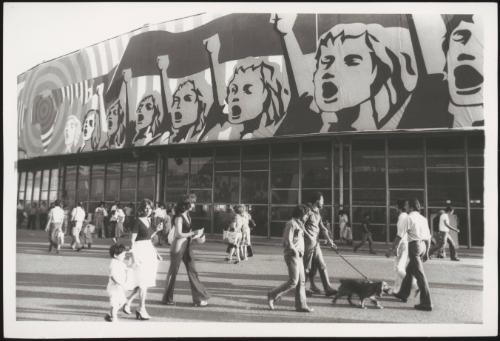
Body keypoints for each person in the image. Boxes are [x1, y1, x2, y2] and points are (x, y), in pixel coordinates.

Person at [162, 194, 210, 307]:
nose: (194, 205)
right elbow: (178, 234)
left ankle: (198, 299)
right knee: (173, 272)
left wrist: (198, 236)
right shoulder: (178, 217)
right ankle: (167, 298)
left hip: (187, 246)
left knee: (193, 271)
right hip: (178, 247)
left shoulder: (188, 215)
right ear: (187, 204)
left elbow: (187, 233)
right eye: (192, 203)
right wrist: (194, 233)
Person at [267, 204, 314, 313]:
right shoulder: (291, 224)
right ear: (301, 214)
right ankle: (272, 295)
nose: (307, 217)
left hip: (299, 256)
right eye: (306, 215)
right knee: (293, 281)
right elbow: (287, 241)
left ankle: (301, 305)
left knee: (301, 281)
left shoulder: (300, 224)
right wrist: (295, 251)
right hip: (292, 255)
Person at [122, 199, 163, 320]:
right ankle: (141, 309)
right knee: (143, 282)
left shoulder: (149, 220)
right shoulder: (137, 221)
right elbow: (132, 240)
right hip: (139, 252)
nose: (147, 209)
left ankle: (127, 303)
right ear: (141, 208)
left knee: (143, 282)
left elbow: (148, 238)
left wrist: (157, 232)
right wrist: (134, 256)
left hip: (148, 251)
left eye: (149, 208)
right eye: (145, 207)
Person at [393, 198, 433, 311]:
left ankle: (427, 303)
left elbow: (399, 236)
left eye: (406, 205)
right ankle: (403, 293)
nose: (405, 207)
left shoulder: (409, 218)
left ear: (410, 207)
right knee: (410, 270)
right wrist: (427, 252)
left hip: (414, 246)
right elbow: (428, 238)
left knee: (420, 275)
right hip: (423, 246)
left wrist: (392, 248)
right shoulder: (423, 218)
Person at [303, 192, 338, 297]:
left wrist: (330, 241)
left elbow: (322, 228)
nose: (323, 203)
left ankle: (327, 288)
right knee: (306, 267)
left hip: (316, 243)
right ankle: (302, 289)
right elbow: (300, 224)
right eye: (322, 201)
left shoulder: (317, 212)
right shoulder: (308, 211)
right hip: (307, 243)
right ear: (317, 201)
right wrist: (308, 235)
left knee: (322, 265)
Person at [385, 200, 417, 295]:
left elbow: (399, 235)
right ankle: (396, 289)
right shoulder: (405, 216)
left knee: (398, 268)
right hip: (405, 244)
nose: (394, 208)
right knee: (399, 268)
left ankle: (415, 285)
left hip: (403, 245)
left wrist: (392, 248)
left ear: (398, 207)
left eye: (395, 206)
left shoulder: (402, 217)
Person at [105, 243, 133, 322]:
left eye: (124, 254)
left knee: (122, 301)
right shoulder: (113, 264)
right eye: (122, 254)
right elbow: (112, 276)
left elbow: (126, 269)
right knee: (115, 303)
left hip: (120, 287)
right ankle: (114, 318)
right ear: (115, 255)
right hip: (114, 288)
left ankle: (111, 314)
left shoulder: (121, 263)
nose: (124, 256)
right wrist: (118, 283)